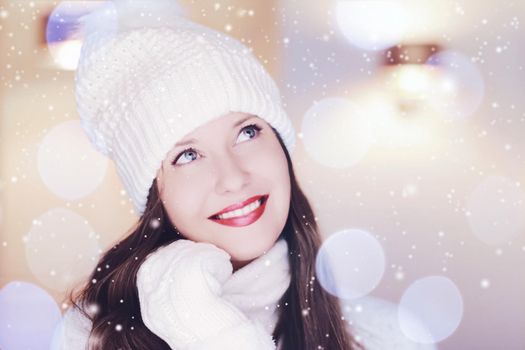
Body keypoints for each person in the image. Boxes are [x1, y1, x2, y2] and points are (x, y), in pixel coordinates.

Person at [54, 1, 435, 349]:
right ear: (155, 193)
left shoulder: (389, 336)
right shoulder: (93, 336)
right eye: (188, 155)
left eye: (248, 132)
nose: (233, 178)